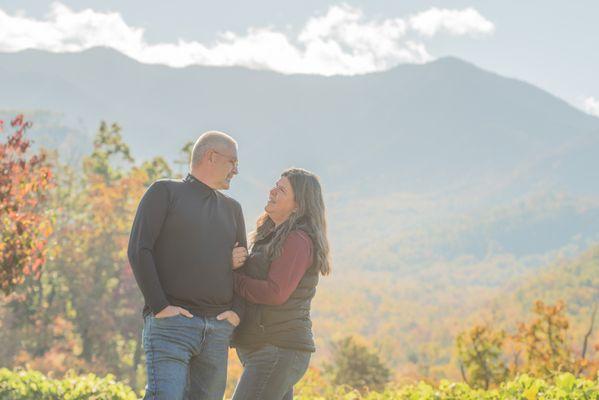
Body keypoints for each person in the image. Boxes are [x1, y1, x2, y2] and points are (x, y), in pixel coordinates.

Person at [127, 131, 246, 400]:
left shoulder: (233, 209)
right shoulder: (164, 192)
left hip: (217, 330)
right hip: (172, 326)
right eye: (233, 162)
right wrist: (159, 306)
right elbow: (139, 249)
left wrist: (236, 312)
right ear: (212, 157)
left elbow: (242, 268)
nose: (236, 170)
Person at [230, 168, 331, 400]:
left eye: (281, 189)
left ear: (298, 205)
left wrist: (231, 278)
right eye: (275, 185)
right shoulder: (270, 235)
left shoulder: (297, 240)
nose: (272, 191)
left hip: (278, 348)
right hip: (267, 348)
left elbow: (275, 293)